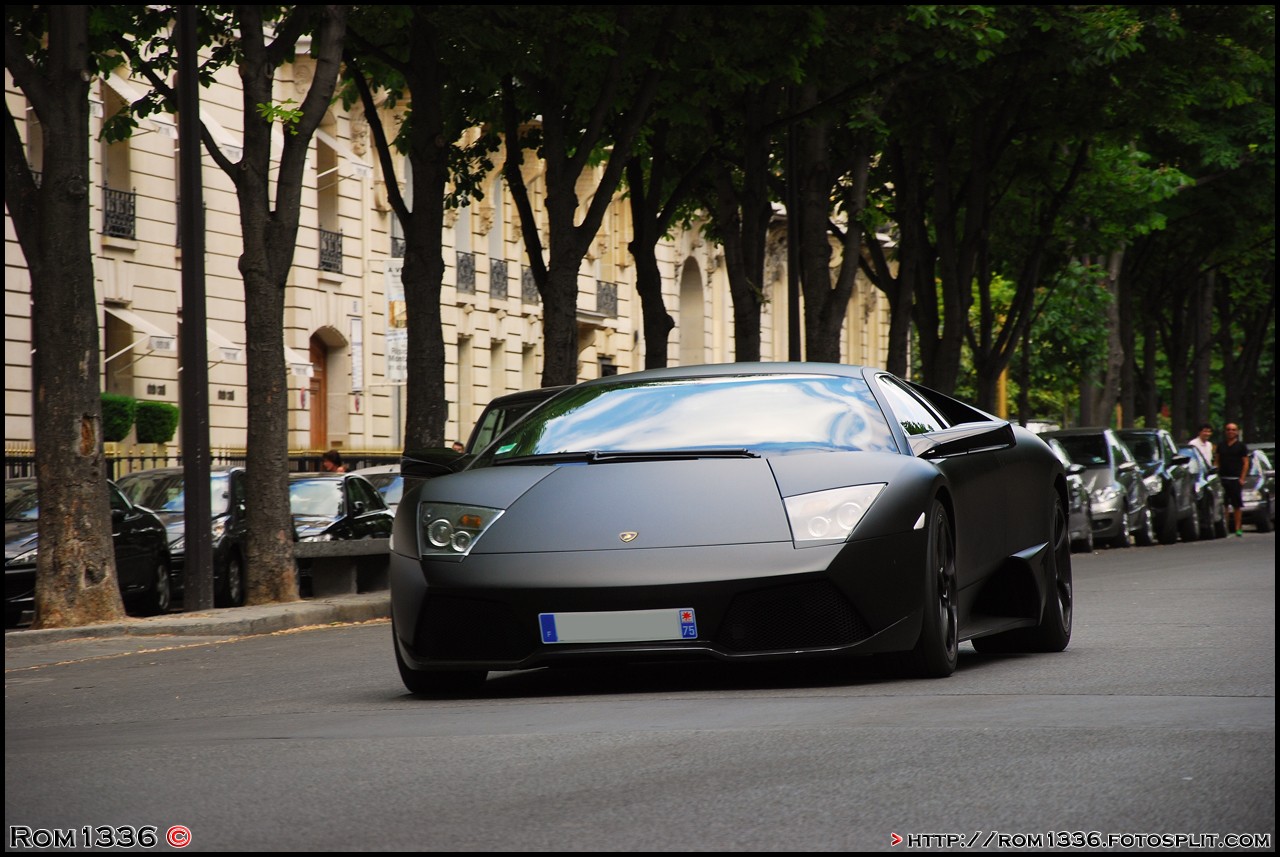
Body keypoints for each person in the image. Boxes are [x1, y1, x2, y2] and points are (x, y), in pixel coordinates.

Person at [1214, 423, 1251, 537]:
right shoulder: (1221, 446)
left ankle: (1238, 528)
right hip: (1223, 478)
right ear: (1225, 431)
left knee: (1236, 505)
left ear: (1237, 432)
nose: (1231, 432)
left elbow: (1245, 463)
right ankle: (1225, 528)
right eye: (1228, 429)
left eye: (1233, 430)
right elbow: (1217, 461)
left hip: (1235, 479)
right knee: (1223, 504)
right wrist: (1216, 475)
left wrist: (1242, 478)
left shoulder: (1241, 446)